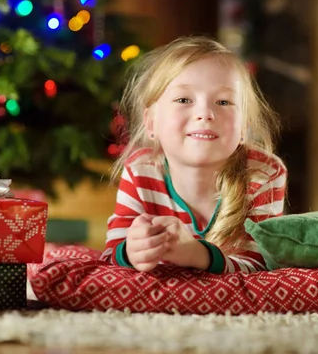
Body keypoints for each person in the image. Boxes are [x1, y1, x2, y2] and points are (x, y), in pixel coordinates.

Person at [101, 36, 287, 274]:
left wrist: (199, 255)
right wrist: (131, 251)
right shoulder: (140, 170)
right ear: (151, 122)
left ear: (243, 128)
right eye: (183, 99)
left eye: (223, 101)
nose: (205, 113)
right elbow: (110, 257)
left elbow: (262, 265)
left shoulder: (263, 174)